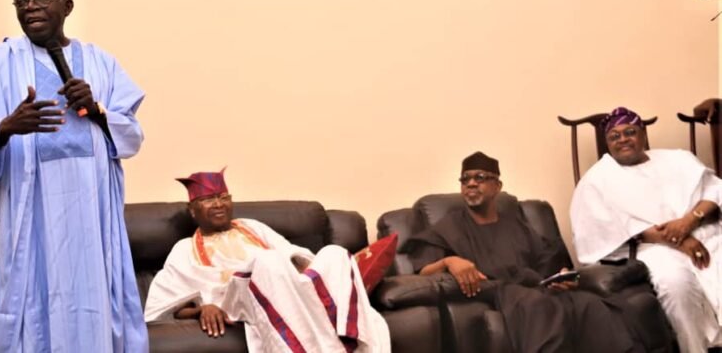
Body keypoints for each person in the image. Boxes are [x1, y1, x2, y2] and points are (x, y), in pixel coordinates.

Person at [0, 0, 148, 351]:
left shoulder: (102, 62)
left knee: (94, 302)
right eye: (21, 0)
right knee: (29, 305)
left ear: (67, 7)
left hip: (91, 213)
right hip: (27, 210)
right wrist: (5, 127)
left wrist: (98, 110)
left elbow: (132, 136)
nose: (30, 6)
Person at [405, 151, 654, 353]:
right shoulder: (451, 225)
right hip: (499, 292)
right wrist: (450, 260)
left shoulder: (515, 223)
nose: (471, 183)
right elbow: (423, 269)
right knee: (537, 304)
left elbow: (546, 263)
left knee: (589, 303)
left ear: (497, 186)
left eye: (480, 177)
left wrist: (561, 277)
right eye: (465, 179)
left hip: (537, 287)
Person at [144, 169, 390, 352]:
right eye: (208, 200)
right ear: (192, 210)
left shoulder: (252, 226)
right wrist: (201, 310)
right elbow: (164, 305)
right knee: (268, 260)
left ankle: (352, 339)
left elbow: (294, 255)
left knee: (334, 253)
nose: (219, 204)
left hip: (288, 284)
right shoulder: (184, 249)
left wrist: (308, 274)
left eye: (224, 196)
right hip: (235, 297)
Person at [571, 107, 722, 353]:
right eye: (614, 136)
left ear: (643, 133)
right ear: (607, 143)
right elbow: (604, 230)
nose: (623, 140)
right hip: (651, 247)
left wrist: (689, 221)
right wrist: (678, 241)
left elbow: (715, 193)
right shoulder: (597, 180)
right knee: (676, 283)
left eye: (630, 132)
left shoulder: (678, 159)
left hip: (705, 233)